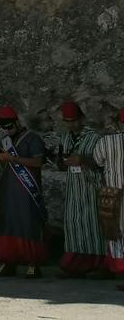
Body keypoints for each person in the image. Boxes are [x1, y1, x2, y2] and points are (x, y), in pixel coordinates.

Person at [0, 105, 46, 278]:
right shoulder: (6, 142)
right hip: (9, 189)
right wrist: (3, 160)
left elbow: (38, 162)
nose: (7, 130)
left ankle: (33, 262)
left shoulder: (33, 138)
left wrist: (12, 158)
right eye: (4, 127)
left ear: (17, 122)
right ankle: (8, 261)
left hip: (27, 190)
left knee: (28, 224)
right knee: (8, 224)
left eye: (9, 126)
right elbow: (5, 167)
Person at [56, 100, 107, 278]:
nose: (71, 124)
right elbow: (60, 163)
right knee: (73, 224)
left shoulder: (94, 137)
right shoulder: (64, 138)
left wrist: (83, 160)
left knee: (93, 225)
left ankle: (99, 266)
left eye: (74, 120)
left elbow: (102, 162)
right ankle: (75, 265)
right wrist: (62, 162)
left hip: (91, 187)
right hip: (73, 188)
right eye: (68, 121)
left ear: (81, 118)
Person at [91, 107, 124, 282]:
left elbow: (97, 161)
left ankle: (120, 268)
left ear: (119, 122)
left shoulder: (106, 142)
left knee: (115, 231)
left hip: (113, 194)